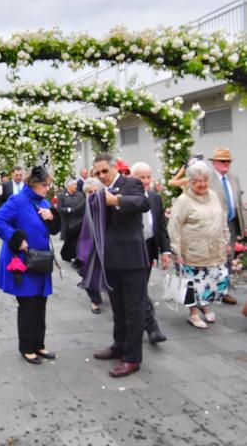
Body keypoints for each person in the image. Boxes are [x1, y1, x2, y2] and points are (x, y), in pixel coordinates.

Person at [0, 166, 61, 365]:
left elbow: (53, 230)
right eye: (45, 185)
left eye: (49, 185)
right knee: (28, 305)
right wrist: (16, 239)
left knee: (41, 303)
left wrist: (52, 217)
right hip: (23, 262)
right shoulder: (18, 200)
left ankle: (39, 344)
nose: (48, 188)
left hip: (41, 261)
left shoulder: (43, 201)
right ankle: (27, 347)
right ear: (34, 184)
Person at [91, 153, 150, 378]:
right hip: (111, 259)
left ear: (114, 168)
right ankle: (119, 345)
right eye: (97, 173)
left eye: (105, 171)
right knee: (118, 308)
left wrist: (116, 201)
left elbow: (142, 203)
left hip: (133, 259)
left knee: (134, 310)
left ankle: (132, 358)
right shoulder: (98, 190)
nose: (102, 176)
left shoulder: (131, 182)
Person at [168, 161, 230, 329]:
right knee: (193, 283)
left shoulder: (214, 196)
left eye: (205, 180)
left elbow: (222, 218)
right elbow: (174, 227)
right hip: (192, 251)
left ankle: (206, 305)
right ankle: (193, 313)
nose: (202, 184)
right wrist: (176, 252)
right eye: (198, 181)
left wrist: (226, 238)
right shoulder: (183, 201)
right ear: (190, 182)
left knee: (210, 280)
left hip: (214, 249)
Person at [130, 162, 170, 345]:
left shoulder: (154, 197)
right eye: (141, 177)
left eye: (148, 177)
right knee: (139, 289)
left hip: (148, 248)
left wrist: (165, 251)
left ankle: (137, 318)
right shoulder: (126, 197)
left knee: (140, 288)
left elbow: (161, 227)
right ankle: (152, 327)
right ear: (132, 178)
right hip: (131, 249)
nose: (145, 181)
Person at [208, 147, 246, 305]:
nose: (226, 164)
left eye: (228, 161)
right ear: (215, 163)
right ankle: (210, 289)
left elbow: (239, 202)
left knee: (228, 258)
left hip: (230, 224)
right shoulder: (208, 179)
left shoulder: (234, 178)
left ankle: (224, 291)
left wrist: (244, 225)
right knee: (213, 257)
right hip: (213, 225)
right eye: (223, 161)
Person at [76, 177, 105, 314]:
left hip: (104, 245)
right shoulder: (83, 205)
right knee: (89, 271)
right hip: (87, 244)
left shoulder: (106, 205)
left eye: (95, 191)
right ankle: (94, 300)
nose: (93, 194)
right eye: (89, 192)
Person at [57, 178, 84, 246]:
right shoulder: (61, 195)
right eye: (74, 184)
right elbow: (59, 208)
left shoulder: (80, 194)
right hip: (66, 223)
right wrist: (69, 210)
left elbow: (83, 206)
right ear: (69, 185)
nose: (76, 186)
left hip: (77, 222)